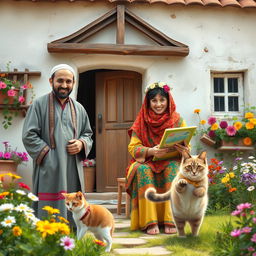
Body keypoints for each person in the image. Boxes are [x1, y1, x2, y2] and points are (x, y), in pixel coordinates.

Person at [22, 64, 93, 222]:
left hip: (72, 167)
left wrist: (81, 144)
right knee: (49, 211)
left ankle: (72, 239)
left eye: (68, 81)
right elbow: (29, 135)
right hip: (49, 167)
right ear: (51, 81)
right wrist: (48, 154)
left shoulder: (79, 108)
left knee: (74, 204)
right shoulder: (38, 105)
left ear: (73, 83)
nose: (64, 85)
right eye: (60, 80)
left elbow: (88, 134)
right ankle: (49, 238)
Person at [125, 82, 189, 235]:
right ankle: (149, 222)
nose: (158, 104)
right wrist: (150, 151)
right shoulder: (141, 121)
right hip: (147, 161)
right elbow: (133, 147)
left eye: (162, 100)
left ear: (168, 101)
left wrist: (185, 150)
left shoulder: (178, 121)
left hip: (170, 161)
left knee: (173, 169)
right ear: (148, 102)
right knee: (142, 170)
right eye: (154, 100)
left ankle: (171, 220)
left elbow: (187, 149)